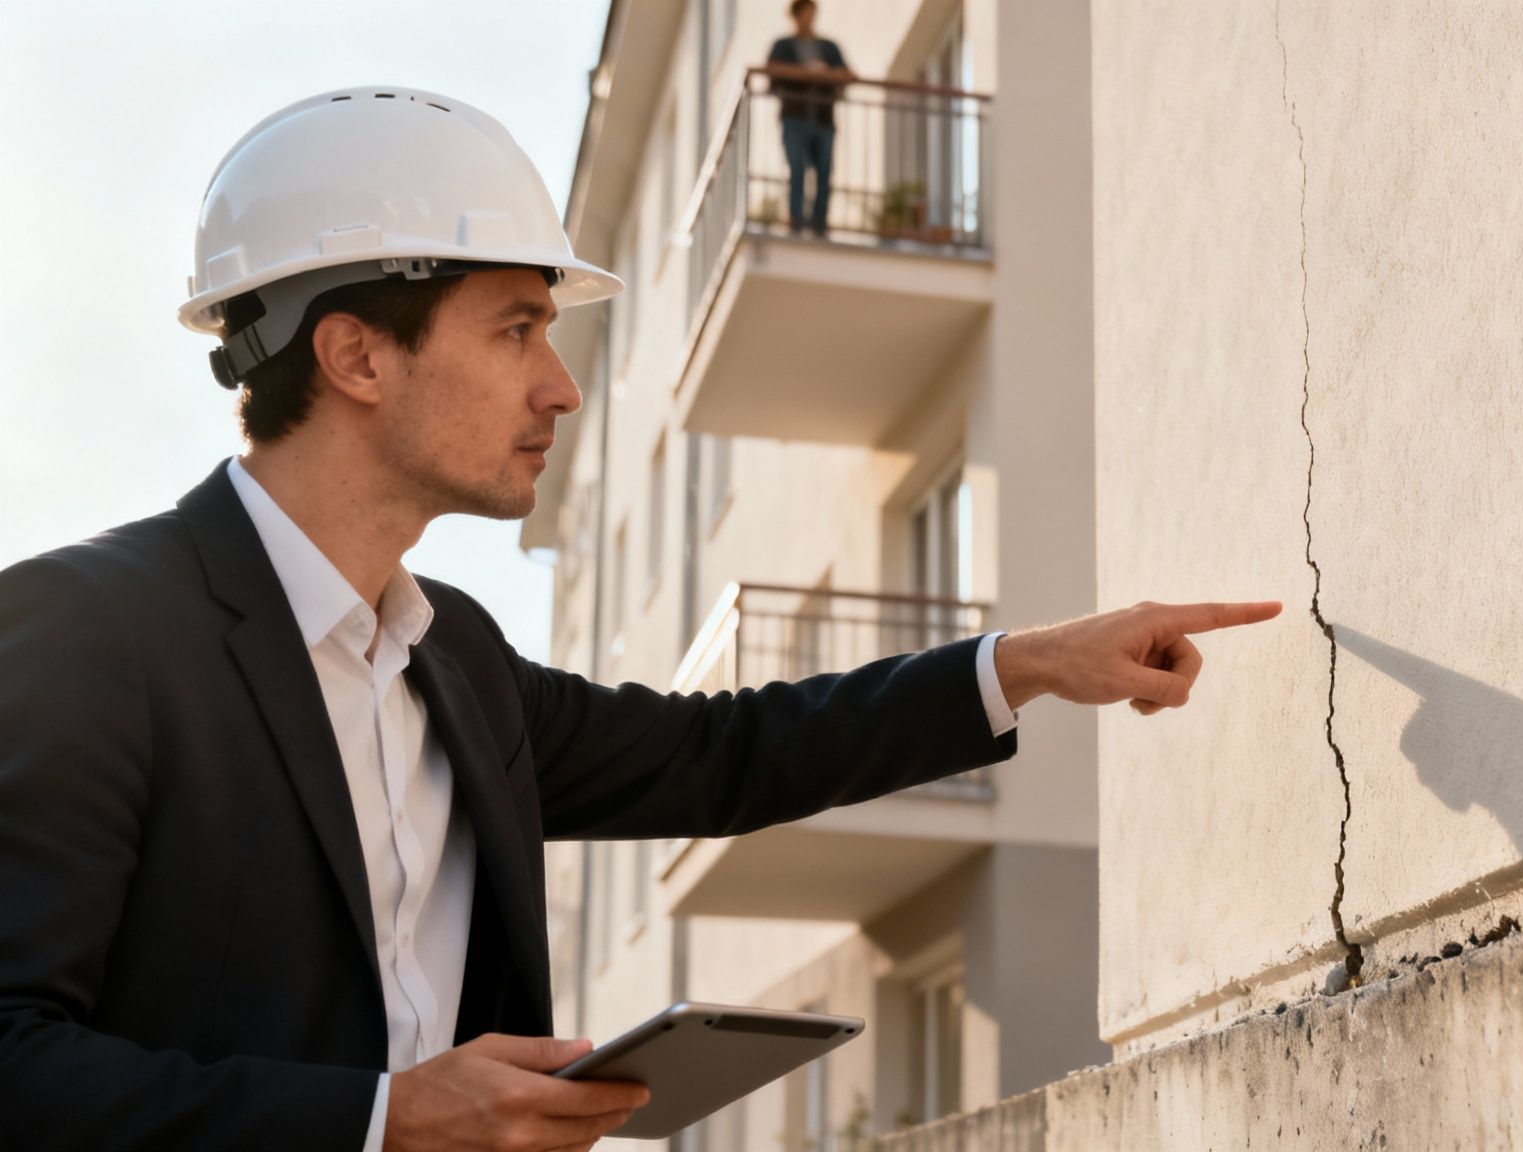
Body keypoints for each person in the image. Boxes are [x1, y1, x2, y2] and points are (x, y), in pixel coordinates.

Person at [0, 87, 1281, 1152]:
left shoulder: (459, 662)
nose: (560, 388)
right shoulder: (84, 633)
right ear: (357, 356)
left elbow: (722, 754)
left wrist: (1029, 665)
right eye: (516, 329)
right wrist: (380, 1121)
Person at [763, 0, 854, 236]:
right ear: (795, 16)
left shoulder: (828, 47)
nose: (810, 19)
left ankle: (819, 223)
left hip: (823, 118)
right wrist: (807, 72)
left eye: (812, 14)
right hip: (795, 117)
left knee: (824, 170)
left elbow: (848, 74)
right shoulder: (783, 46)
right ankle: (796, 220)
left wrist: (826, 72)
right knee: (797, 168)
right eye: (805, 14)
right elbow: (772, 72)